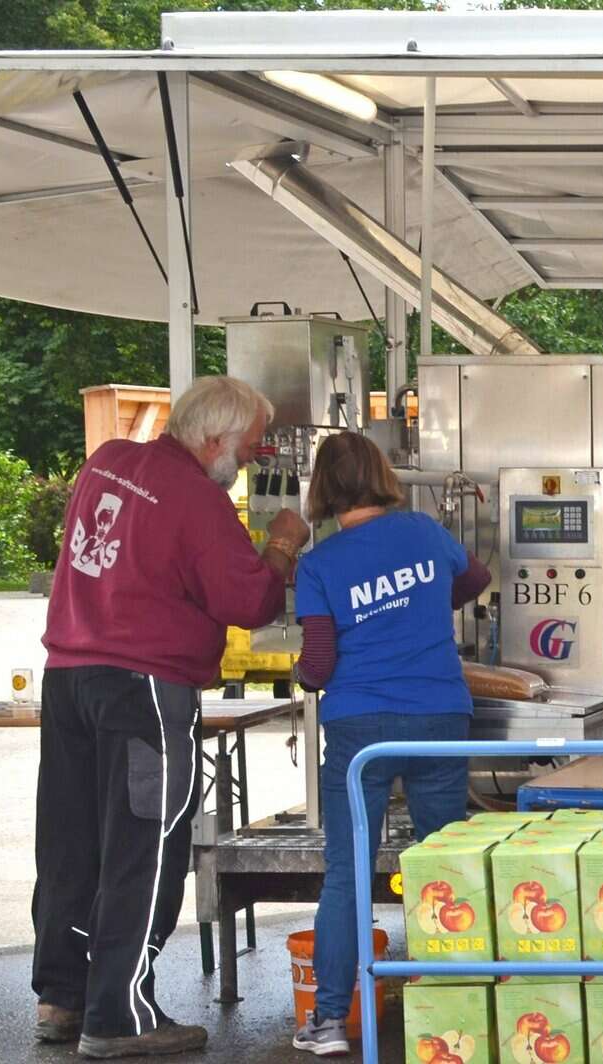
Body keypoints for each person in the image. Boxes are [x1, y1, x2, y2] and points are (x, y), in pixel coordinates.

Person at [35, 376, 311, 1058]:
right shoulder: (196, 498)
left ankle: (61, 996)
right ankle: (120, 1016)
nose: (247, 463)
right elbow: (247, 601)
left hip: (68, 675)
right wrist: (280, 545)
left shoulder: (107, 461)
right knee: (146, 845)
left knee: (70, 841)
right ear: (213, 439)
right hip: (144, 689)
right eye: (246, 452)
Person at [289, 432, 491, 1057]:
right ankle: (454, 998)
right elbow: (477, 577)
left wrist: (302, 670)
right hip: (438, 717)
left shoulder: (319, 563)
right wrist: (423, 608)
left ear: (324, 489)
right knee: (439, 863)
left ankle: (326, 1022)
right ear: (381, 475)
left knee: (347, 871)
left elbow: (319, 666)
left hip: (361, 730)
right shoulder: (426, 533)